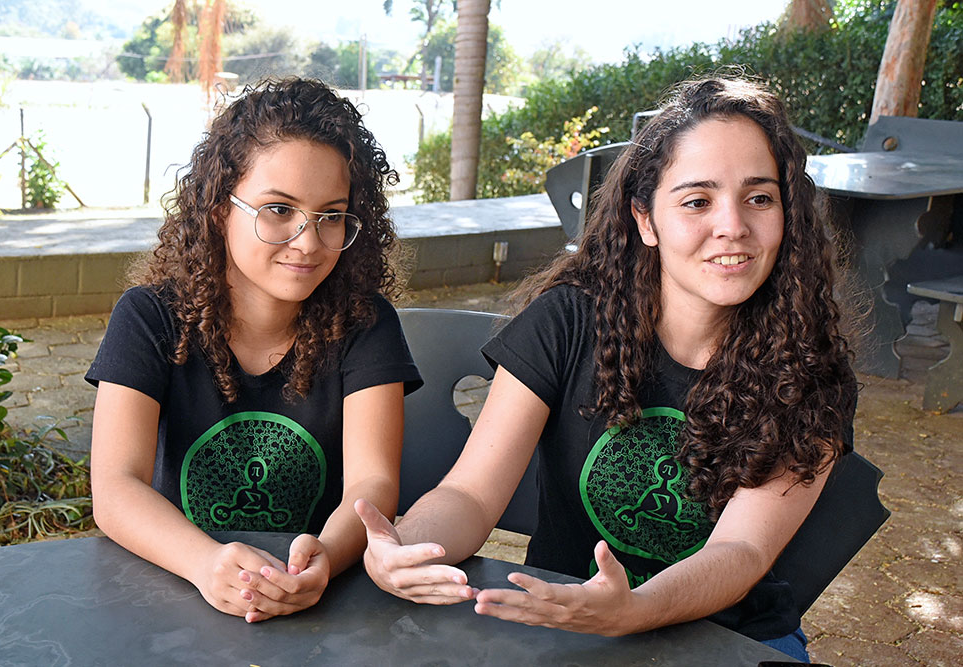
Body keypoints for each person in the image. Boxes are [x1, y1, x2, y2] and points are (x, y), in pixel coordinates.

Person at [356, 76, 857, 662]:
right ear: (645, 220)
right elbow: (469, 493)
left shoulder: (809, 367)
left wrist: (635, 610)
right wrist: (406, 548)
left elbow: (741, 552)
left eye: (759, 197)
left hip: (731, 636)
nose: (733, 226)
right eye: (697, 200)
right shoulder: (568, 321)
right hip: (565, 622)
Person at [87, 77, 422, 623]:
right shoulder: (149, 319)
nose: (309, 241)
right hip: (176, 589)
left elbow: (373, 481)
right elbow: (115, 489)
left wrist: (328, 557)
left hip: (323, 605)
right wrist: (205, 564)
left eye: (331, 216)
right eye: (279, 210)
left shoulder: (365, 323)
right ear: (220, 208)